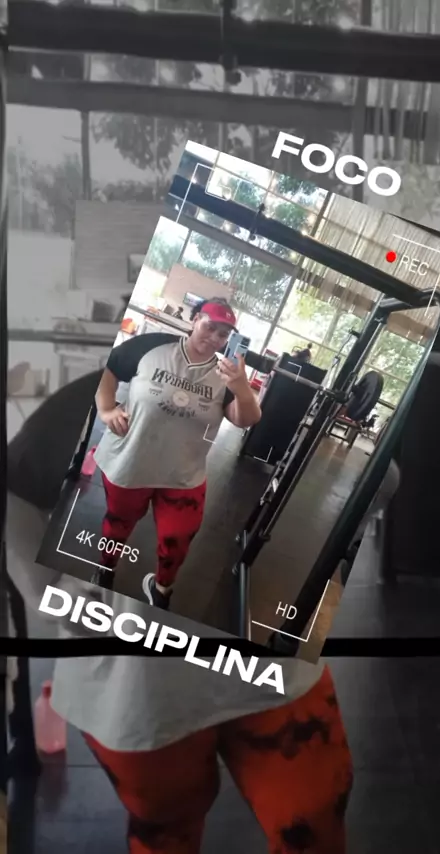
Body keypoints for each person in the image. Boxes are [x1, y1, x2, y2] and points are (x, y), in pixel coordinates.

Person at [5, 363, 400, 854]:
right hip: (139, 687)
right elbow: (18, 489)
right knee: (167, 830)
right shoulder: (96, 395)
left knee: (311, 822)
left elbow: (380, 480)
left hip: (262, 670)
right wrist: (58, 596)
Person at [92, 298, 261, 609]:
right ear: (195, 320)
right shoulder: (152, 347)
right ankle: (105, 569)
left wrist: (241, 388)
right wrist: (106, 409)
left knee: (178, 539)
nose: (215, 337)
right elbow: (109, 367)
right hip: (131, 460)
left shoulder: (225, 374)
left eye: (223, 334)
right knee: (117, 527)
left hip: (183, 473)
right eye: (210, 327)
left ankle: (161, 590)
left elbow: (246, 419)